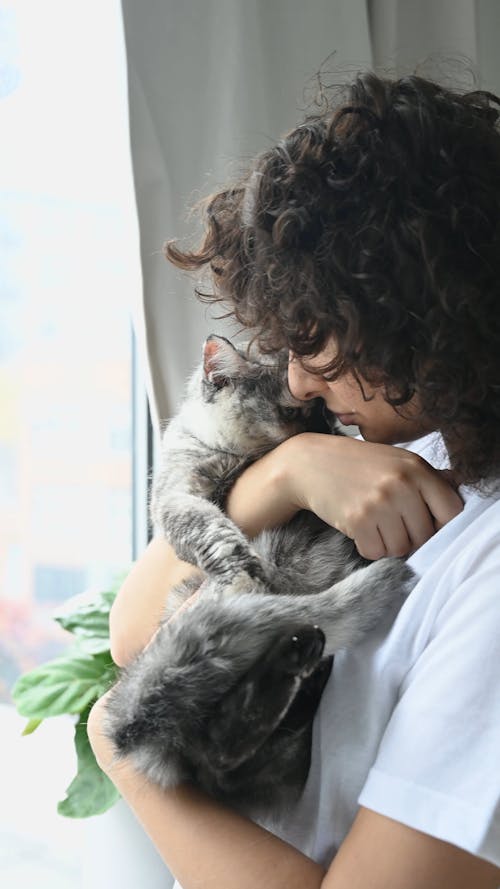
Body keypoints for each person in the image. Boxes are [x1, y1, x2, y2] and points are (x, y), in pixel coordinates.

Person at [87, 71, 500, 888]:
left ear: (424, 322)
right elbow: (135, 631)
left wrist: (119, 746)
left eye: (322, 341)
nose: (302, 383)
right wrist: (285, 473)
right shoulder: (424, 456)